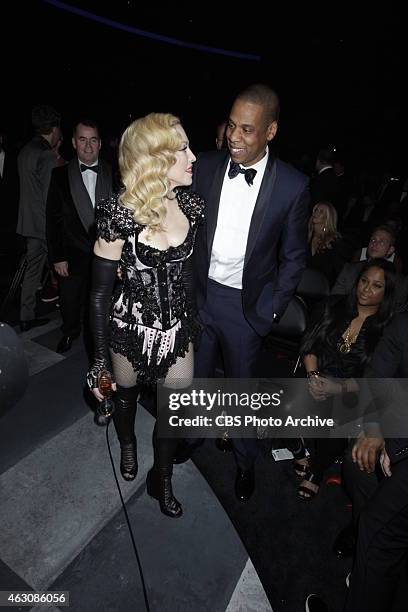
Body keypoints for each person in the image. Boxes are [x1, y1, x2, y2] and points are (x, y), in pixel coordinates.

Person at [185, 83, 310, 502]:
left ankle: (244, 462)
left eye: (247, 130)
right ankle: (194, 440)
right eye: (232, 126)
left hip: (247, 309)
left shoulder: (292, 185)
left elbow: (294, 257)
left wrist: (270, 310)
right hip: (202, 298)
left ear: (270, 132)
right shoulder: (203, 166)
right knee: (196, 381)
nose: (234, 137)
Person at [87, 113, 204, 519]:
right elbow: (100, 294)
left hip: (176, 331)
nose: (193, 156)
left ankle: (164, 479)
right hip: (128, 330)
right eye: (183, 149)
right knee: (126, 397)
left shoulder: (190, 203)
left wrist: (193, 326)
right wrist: (99, 361)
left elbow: (188, 276)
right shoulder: (120, 214)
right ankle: (128, 444)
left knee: (174, 413)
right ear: (155, 160)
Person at [305, 312, 408, 612]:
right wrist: (377, 430)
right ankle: (371, 570)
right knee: (358, 466)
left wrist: (398, 447)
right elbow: (379, 377)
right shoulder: (401, 324)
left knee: (378, 535)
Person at [291, 259, 396, 500]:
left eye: (376, 285)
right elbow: (309, 343)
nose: (366, 289)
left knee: (342, 418)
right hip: (314, 372)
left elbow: (376, 377)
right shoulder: (333, 305)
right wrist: (314, 376)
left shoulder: (386, 329)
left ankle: (316, 471)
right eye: (364, 281)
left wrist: (336, 387)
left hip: (351, 388)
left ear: (386, 292)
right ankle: (299, 450)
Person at [46, 119, 113, 353]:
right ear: (74, 143)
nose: (88, 146)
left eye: (93, 140)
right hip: (72, 255)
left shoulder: (113, 172)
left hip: (107, 254)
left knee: (104, 304)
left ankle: (102, 340)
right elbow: (53, 220)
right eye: (82, 140)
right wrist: (57, 257)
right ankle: (70, 331)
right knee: (70, 303)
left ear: (100, 143)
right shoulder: (59, 176)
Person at [16, 104, 62, 331]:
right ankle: (69, 311)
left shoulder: (25, 150)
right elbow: (49, 196)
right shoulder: (46, 154)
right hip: (44, 225)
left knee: (33, 271)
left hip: (28, 222)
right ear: (54, 128)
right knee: (66, 265)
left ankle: (26, 316)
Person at [307, 201, 347, 287]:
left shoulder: (334, 243)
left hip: (321, 289)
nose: (316, 213)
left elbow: (339, 272)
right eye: (316, 210)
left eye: (321, 212)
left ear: (328, 218)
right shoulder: (305, 237)